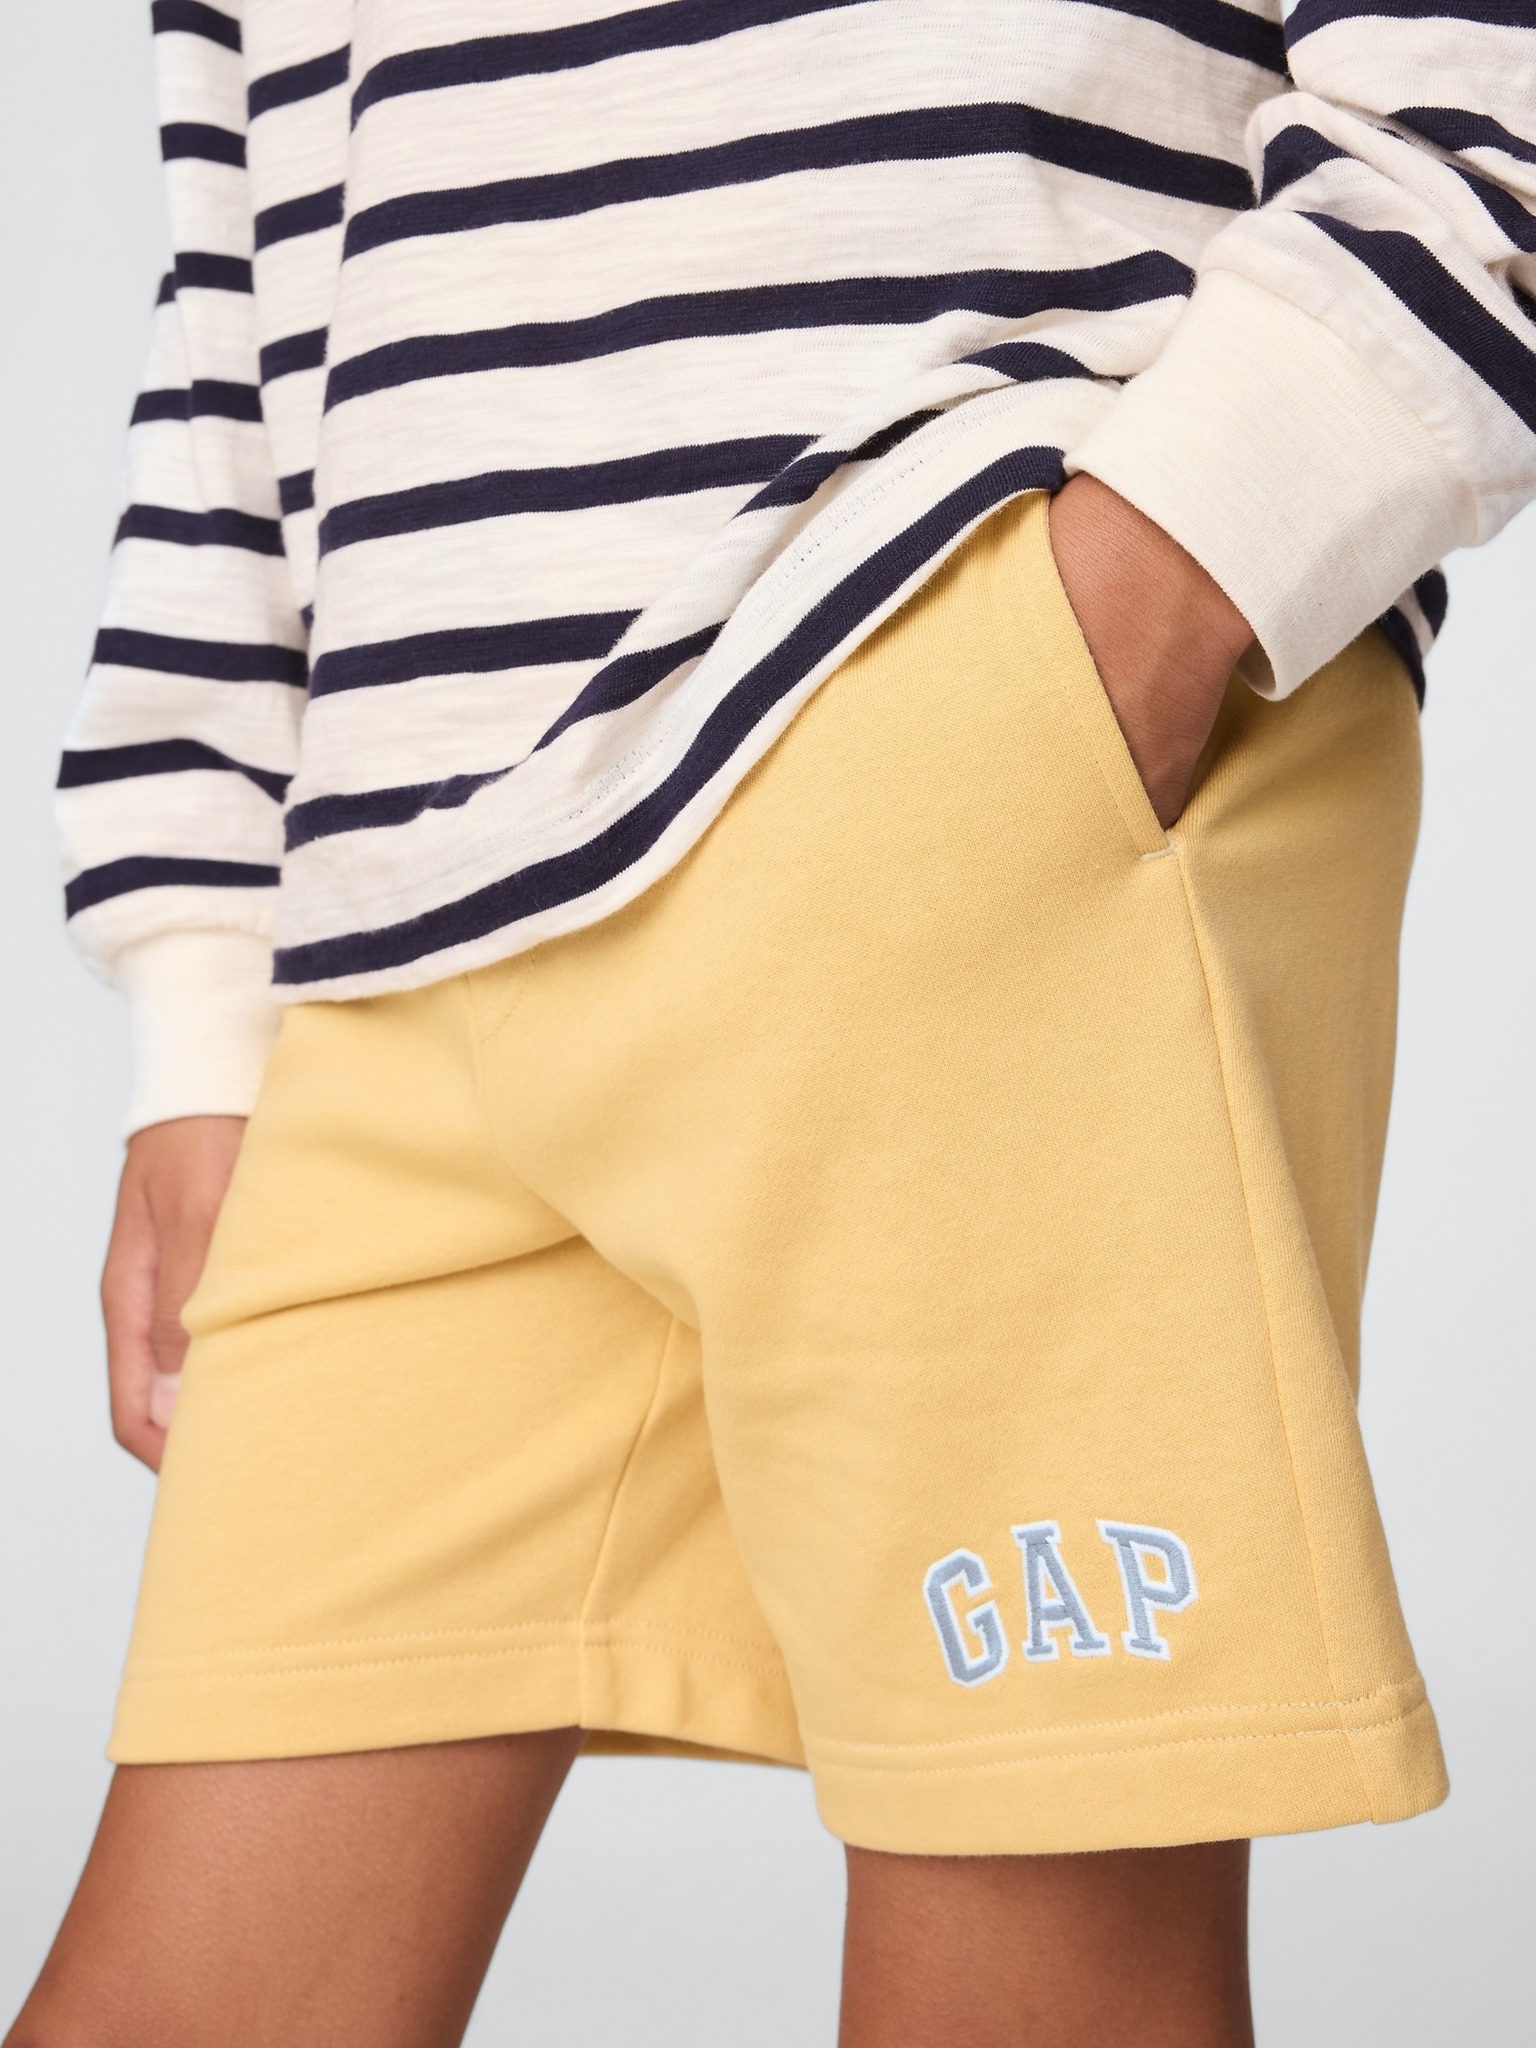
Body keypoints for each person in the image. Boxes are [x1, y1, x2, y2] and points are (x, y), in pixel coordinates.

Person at [12, 0, 1536, 2040]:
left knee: (1035, 1973)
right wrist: (202, 996)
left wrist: (1152, 586)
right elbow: (243, 273)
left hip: (947, 724)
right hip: (408, 902)